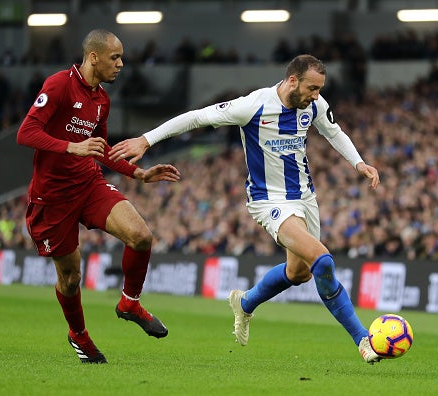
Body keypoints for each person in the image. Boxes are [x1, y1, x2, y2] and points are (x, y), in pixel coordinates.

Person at [109, 54, 382, 364]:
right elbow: (196, 117)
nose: (317, 95)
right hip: (269, 201)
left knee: (299, 272)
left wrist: (359, 163)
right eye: (312, 88)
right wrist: (147, 139)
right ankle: (362, 339)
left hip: (305, 198)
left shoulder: (314, 106)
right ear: (292, 81)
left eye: (320, 89)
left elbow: (334, 132)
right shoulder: (253, 106)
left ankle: (246, 303)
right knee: (323, 262)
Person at [17, 29, 181, 364]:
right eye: (115, 57)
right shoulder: (59, 85)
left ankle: (129, 302)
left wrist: (138, 173)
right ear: (94, 57)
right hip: (52, 198)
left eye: (121, 58)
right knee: (71, 277)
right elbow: (26, 132)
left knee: (140, 236)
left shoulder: (102, 99)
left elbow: (101, 149)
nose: (121, 64)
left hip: (88, 184)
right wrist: (70, 146)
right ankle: (78, 335)